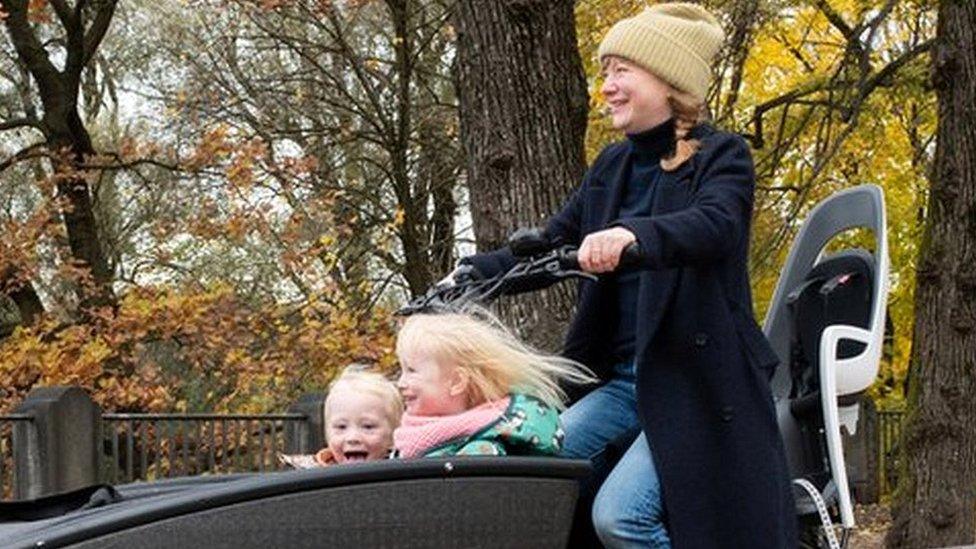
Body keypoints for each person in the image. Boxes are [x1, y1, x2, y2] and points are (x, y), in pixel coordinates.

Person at [456, 3, 797, 547]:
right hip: (621, 384)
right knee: (531, 474)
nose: (607, 86)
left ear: (668, 81)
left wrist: (635, 237)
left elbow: (716, 224)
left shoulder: (720, 155)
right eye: (604, 72)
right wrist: (472, 275)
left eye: (621, 71)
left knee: (621, 517)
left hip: (693, 383)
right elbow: (552, 244)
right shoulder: (611, 168)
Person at [392, 311, 595, 458]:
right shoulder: (412, 437)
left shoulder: (481, 449)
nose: (401, 383)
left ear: (456, 382)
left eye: (411, 371)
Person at [279, 366, 402, 468]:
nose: (353, 438)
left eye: (368, 427)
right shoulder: (312, 476)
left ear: (394, 434)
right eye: (341, 427)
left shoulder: (403, 474)